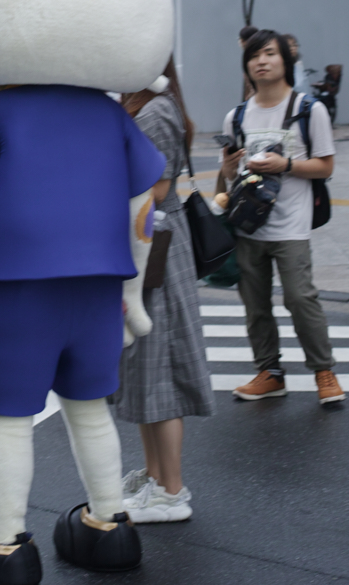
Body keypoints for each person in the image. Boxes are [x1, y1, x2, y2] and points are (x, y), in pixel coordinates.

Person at [219, 30, 343, 406]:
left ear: (285, 61)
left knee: (300, 298)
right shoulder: (236, 115)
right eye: (254, 56)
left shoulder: (309, 108)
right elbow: (230, 177)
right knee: (255, 305)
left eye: (269, 54)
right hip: (248, 225)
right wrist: (227, 169)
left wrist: (285, 164)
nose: (261, 61)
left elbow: (325, 167)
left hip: (291, 225)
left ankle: (324, 371)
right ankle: (269, 372)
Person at [115, 57, 213, 524]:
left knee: (160, 371)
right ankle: (155, 478)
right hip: (144, 242)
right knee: (143, 370)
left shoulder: (154, 111)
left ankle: (172, 490)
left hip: (155, 245)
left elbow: (157, 189)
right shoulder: (138, 103)